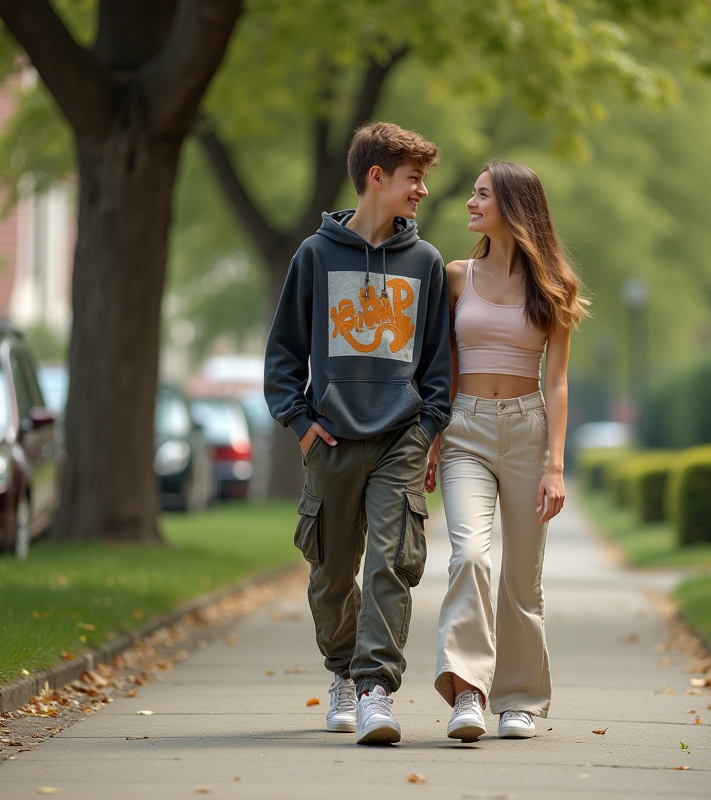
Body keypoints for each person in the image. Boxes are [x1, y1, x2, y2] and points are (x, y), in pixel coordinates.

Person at [264, 122, 451, 745]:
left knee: (391, 565)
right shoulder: (315, 256)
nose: (422, 191)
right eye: (413, 179)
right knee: (330, 575)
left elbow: (435, 364)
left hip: (400, 436)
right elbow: (285, 353)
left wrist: (426, 429)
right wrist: (301, 423)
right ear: (378, 178)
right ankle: (341, 672)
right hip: (333, 439)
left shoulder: (424, 263)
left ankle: (375, 690)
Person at [427, 160, 588, 742]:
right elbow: (441, 364)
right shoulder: (454, 276)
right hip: (465, 428)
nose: (470, 203)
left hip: (528, 431)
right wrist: (435, 433)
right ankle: (467, 691)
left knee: (522, 577)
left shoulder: (554, 286)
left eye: (481, 194)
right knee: (468, 555)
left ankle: (517, 699)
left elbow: (559, 381)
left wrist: (555, 464)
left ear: (514, 206)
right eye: (472, 194)